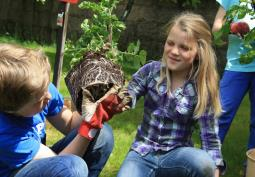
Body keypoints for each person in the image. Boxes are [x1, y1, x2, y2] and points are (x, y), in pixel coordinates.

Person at [117, 12, 225, 177]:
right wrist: (122, 99)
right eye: (170, 43)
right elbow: (131, 90)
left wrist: (215, 171)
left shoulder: (202, 88)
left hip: (177, 157)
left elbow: (210, 138)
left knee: (204, 163)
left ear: (198, 53)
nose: (174, 51)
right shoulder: (151, 71)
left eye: (184, 48)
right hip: (142, 153)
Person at [0, 43, 130, 177]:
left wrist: (96, 104)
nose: (48, 96)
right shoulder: (5, 135)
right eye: (39, 100)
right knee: (73, 167)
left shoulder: (40, 89)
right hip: (15, 172)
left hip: (41, 159)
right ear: (12, 110)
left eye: (46, 88)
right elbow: (60, 163)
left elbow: (69, 123)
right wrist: (89, 128)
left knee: (103, 134)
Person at [212, 0, 255, 163]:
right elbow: (216, 27)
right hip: (237, 65)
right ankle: (210, 164)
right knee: (220, 114)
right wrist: (232, 28)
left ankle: (251, 168)